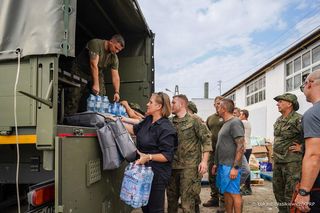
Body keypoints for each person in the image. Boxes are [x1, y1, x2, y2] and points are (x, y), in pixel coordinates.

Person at [124, 92, 177, 213]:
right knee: (145, 207)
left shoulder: (166, 128)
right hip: (143, 172)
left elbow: (167, 155)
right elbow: (134, 130)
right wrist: (117, 122)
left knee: (155, 209)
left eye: (151, 102)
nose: (147, 104)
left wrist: (148, 157)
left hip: (157, 175)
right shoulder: (148, 120)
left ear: (159, 106)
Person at [167, 94, 212, 213]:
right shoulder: (170, 122)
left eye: (173, 103)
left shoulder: (194, 120)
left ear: (181, 104)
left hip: (189, 168)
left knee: (188, 204)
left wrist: (204, 161)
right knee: (171, 202)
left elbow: (206, 140)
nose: (171, 105)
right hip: (172, 167)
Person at [65, 34, 125, 114]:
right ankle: (68, 118)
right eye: (116, 48)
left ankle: (97, 120)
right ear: (110, 42)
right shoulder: (96, 44)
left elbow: (115, 76)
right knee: (74, 95)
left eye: (119, 50)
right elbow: (93, 65)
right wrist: (96, 84)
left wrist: (117, 92)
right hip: (80, 70)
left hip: (97, 72)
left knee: (101, 98)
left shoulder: (114, 57)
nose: (116, 51)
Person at [272, 93, 303, 213]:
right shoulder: (279, 120)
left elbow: (313, 138)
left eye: (280, 101)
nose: (277, 104)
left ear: (289, 103)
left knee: (290, 192)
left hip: (292, 163)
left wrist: (302, 147)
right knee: (278, 190)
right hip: (278, 161)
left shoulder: (299, 119)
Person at [213, 98, 245, 213]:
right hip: (223, 165)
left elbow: (241, 146)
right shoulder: (225, 123)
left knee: (234, 193)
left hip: (231, 166)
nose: (217, 108)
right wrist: (216, 164)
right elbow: (220, 145)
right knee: (226, 192)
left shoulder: (235, 122)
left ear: (224, 109)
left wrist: (235, 167)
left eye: (219, 106)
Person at [295, 70, 320, 213]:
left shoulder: (313, 114)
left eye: (302, 86)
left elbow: (314, 155)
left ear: (309, 84)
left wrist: (304, 192)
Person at [203, 96, 224, 208]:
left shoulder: (227, 117)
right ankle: (214, 197)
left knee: (223, 175)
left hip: (225, 152)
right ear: (214, 105)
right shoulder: (210, 118)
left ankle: (224, 199)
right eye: (216, 103)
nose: (218, 105)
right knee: (212, 175)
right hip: (212, 151)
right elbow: (206, 134)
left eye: (220, 103)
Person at [239, 109, 252, 195]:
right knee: (245, 166)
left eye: (240, 114)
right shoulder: (246, 123)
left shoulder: (244, 122)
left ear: (244, 115)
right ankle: (247, 186)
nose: (238, 116)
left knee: (245, 168)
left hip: (246, 147)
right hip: (248, 147)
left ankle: (248, 187)